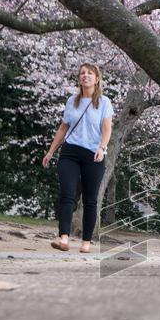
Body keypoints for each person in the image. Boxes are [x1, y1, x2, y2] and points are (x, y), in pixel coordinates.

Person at [43, 63, 113, 253]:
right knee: (67, 194)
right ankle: (63, 238)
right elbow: (63, 128)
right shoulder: (71, 101)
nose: (85, 76)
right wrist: (50, 151)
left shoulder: (104, 102)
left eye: (90, 73)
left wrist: (102, 147)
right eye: (82, 73)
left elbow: (107, 129)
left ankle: (86, 243)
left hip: (94, 155)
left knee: (90, 200)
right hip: (70, 152)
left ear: (97, 79)